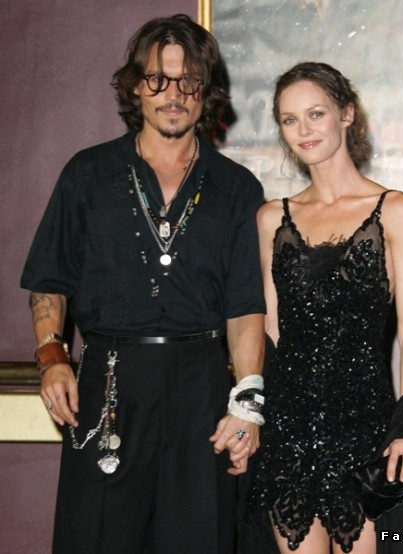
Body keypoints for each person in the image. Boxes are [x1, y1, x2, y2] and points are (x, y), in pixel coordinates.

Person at [21, 14, 266, 554]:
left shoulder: (237, 188)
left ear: (206, 91)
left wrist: (247, 402)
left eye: (188, 81)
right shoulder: (87, 173)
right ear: (136, 86)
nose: (172, 95)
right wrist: (52, 355)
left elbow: (246, 305)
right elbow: (49, 279)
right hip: (108, 382)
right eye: (157, 78)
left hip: (203, 387)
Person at [248, 62, 403, 554]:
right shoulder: (270, 219)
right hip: (289, 431)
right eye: (289, 120)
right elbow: (270, 332)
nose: (304, 130)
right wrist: (248, 411)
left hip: (365, 427)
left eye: (316, 114)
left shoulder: (396, 210)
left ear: (346, 114)